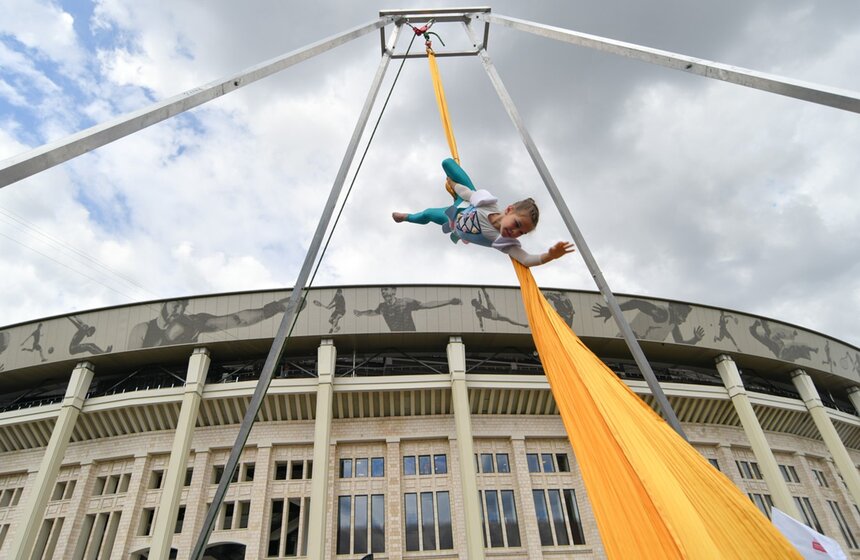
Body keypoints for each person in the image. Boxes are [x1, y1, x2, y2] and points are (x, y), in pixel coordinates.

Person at [392, 158, 574, 267]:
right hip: (464, 201)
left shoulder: (502, 241)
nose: (516, 233)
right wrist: (453, 185)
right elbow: (467, 194)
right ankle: (452, 181)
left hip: (454, 219)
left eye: (522, 233)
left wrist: (550, 256)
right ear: (509, 210)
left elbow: (526, 259)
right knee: (447, 163)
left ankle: (406, 217)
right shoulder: (487, 204)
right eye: (517, 224)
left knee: (428, 214)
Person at [127, 296, 294, 349]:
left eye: (182, 307)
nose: (178, 310)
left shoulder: (194, 323)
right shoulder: (142, 329)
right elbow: (132, 361)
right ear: (164, 303)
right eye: (175, 305)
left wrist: (274, 308)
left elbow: (238, 320)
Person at [353, 287, 461, 332]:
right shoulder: (382, 307)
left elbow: (426, 305)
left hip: (411, 336)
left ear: (394, 291)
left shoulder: (405, 302)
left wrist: (449, 301)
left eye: (385, 290)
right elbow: (372, 312)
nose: (383, 292)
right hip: (396, 339)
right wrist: (361, 313)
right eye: (382, 291)